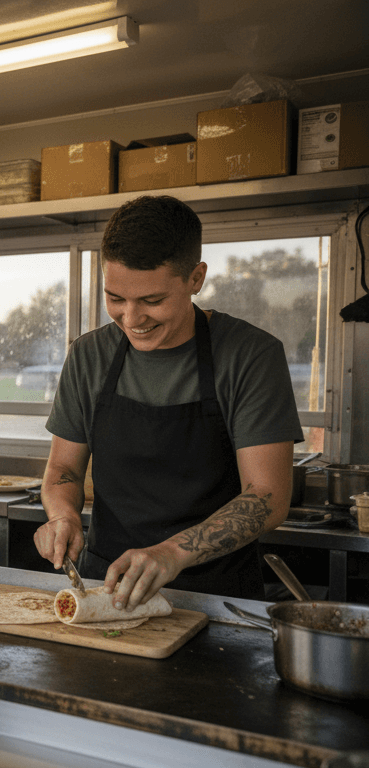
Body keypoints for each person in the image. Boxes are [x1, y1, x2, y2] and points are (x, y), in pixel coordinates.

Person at [33, 195, 302, 607]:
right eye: (116, 298)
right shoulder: (89, 355)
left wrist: (171, 553)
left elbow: (267, 496)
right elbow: (64, 470)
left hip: (217, 597)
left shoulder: (250, 355)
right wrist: (63, 516)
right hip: (104, 590)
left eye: (152, 301)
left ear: (196, 278)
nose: (131, 319)